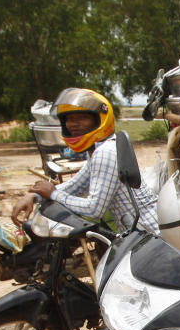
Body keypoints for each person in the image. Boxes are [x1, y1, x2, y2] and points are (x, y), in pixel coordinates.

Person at [12, 88, 160, 235]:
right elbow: (76, 185)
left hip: (150, 233)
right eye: (69, 119)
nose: (73, 124)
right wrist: (36, 195)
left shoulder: (105, 152)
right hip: (139, 231)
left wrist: (53, 193)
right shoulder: (97, 151)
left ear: (99, 120)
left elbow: (94, 209)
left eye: (82, 118)